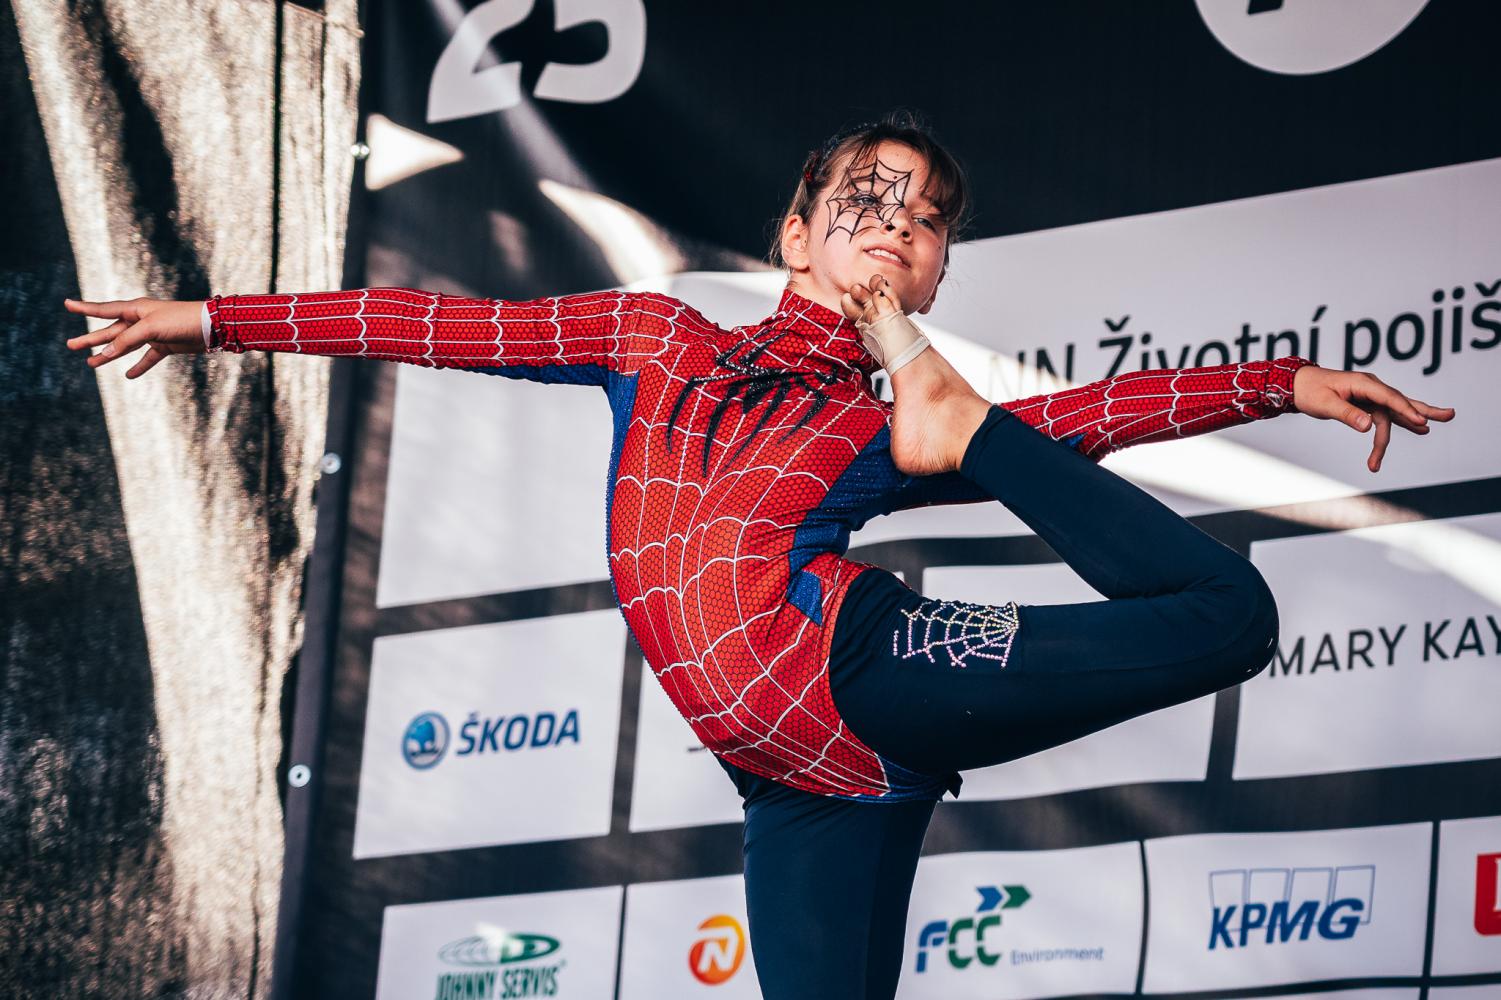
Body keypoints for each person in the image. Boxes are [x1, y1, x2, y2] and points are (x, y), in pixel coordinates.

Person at [63, 111, 1453, 1000]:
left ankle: (964, 417)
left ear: (934, 279)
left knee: (1226, 616)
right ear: (795, 232)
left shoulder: (872, 424)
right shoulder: (652, 338)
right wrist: (208, 321)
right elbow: (429, 325)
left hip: (871, 666)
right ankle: (964, 420)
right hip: (797, 787)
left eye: (924, 224)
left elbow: (1089, 419)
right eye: (869, 199)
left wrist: (1278, 382)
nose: (897, 224)